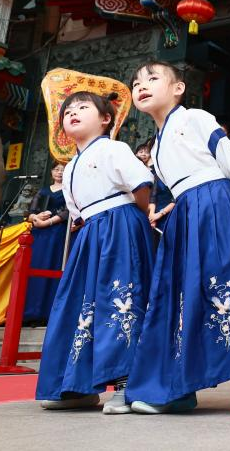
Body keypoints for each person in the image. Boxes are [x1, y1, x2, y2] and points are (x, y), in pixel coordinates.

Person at [125, 61, 230, 416]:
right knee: (187, 296)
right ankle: (183, 383)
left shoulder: (196, 117)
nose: (142, 86)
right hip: (187, 213)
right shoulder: (156, 144)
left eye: (152, 78)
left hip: (217, 203)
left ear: (178, 88)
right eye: (136, 83)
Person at [36, 92, 154, 414]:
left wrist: (134, 221)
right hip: (91, 232)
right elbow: (75, 213)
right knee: (78, 303)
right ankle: (77, 386)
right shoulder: (70, 166)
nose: (73, 113)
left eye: (83, 107)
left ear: (105, 119)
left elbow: (141, 187)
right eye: (68, 111)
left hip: (120, 223)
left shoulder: (115, 148)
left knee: (122, 298)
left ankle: (128, 384)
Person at [24, 163, 72, 324]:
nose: (59, 172)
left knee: (51, 268)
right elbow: (30, 212)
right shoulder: (43, 190)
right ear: (51, 172)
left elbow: (67, 211)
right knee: (35, 268)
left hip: (57, 234)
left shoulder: (69, 190)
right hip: (39, 234)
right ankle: (29, 312)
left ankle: (46, 313)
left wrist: (48, 222)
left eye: (63, 170)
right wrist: (36, 218)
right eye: (56, 169)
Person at [135, 139, 174, 231]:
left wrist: (158, 214)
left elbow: (154, 195)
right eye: (141, 152)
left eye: (147, 152)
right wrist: (151, 216)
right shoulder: (137, 175)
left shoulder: (159, 171)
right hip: (150, 215)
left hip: (165, 211)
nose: (144, 154)